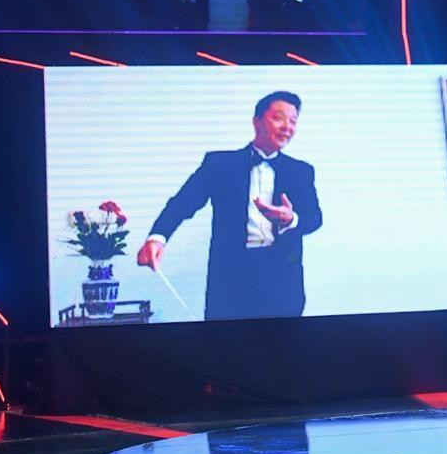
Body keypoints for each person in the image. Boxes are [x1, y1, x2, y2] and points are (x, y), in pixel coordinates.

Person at [137, 91, 323, 320]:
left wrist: (290, 219)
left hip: (282, 284)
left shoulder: (301, 171)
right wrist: (157, 238)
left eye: (293, 121)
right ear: (257, 122)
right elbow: (182, 203)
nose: (287, 127)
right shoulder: (220, 164)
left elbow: (314, 218)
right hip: (230, 282)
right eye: (278, 118)